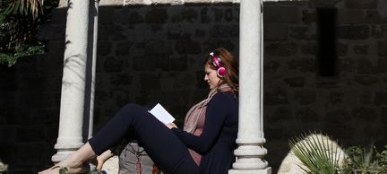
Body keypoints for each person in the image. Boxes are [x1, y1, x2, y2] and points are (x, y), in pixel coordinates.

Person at [39, 48, 239, 174]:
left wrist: (173, 131)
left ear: (222, 72)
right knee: (147, 112)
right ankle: (101, 156)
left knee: (132, 112)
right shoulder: (225, 99)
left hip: (196, 167)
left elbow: (203, 144)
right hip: (193, 160)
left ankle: (74, 162)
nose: (205, 78)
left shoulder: (222, 100)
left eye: (208, 73)